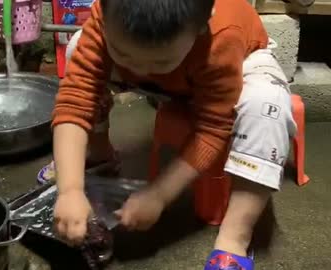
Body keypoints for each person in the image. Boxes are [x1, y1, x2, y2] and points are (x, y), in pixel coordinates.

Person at [38, 0, 297, 269]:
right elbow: (75, 100)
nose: (138, 69)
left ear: (201, 24)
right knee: (76, 47)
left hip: (237, 62)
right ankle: (98, 152)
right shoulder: (107, 16)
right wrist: (69, 190)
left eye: (159, 60)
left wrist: (160, 194)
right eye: (123, 54)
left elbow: (213, 128)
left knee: (268, 105)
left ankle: (236, 236)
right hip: (175, 76)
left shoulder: (220, 36)